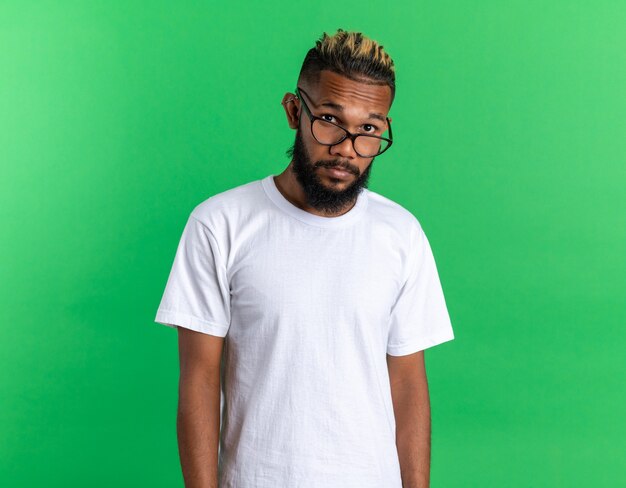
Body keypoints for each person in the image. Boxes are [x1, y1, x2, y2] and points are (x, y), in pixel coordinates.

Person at [155, 28, 455, 488]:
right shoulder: (219, 224)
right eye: (331, 120)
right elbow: (199, 379)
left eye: (369, 129)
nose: (347, 148)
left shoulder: (401, 234)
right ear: (295, 111)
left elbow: (408, 385)